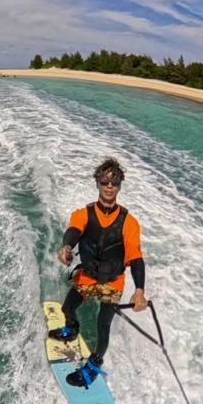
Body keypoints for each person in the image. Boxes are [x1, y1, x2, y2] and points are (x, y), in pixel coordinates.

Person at [50, 158, 147, 388]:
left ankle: (94, 365)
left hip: (113, 282)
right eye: (104, 181)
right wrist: (65, 247)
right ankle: (72, 329)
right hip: (88, 276)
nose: (109, 186)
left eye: (115, 181)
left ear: (120, 185)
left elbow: (136, 259)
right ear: (97, 183)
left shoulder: (130, 223)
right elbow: (73, 232)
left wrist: (139, 290)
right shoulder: (83, 214)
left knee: (102, 325)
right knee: (67, 308)